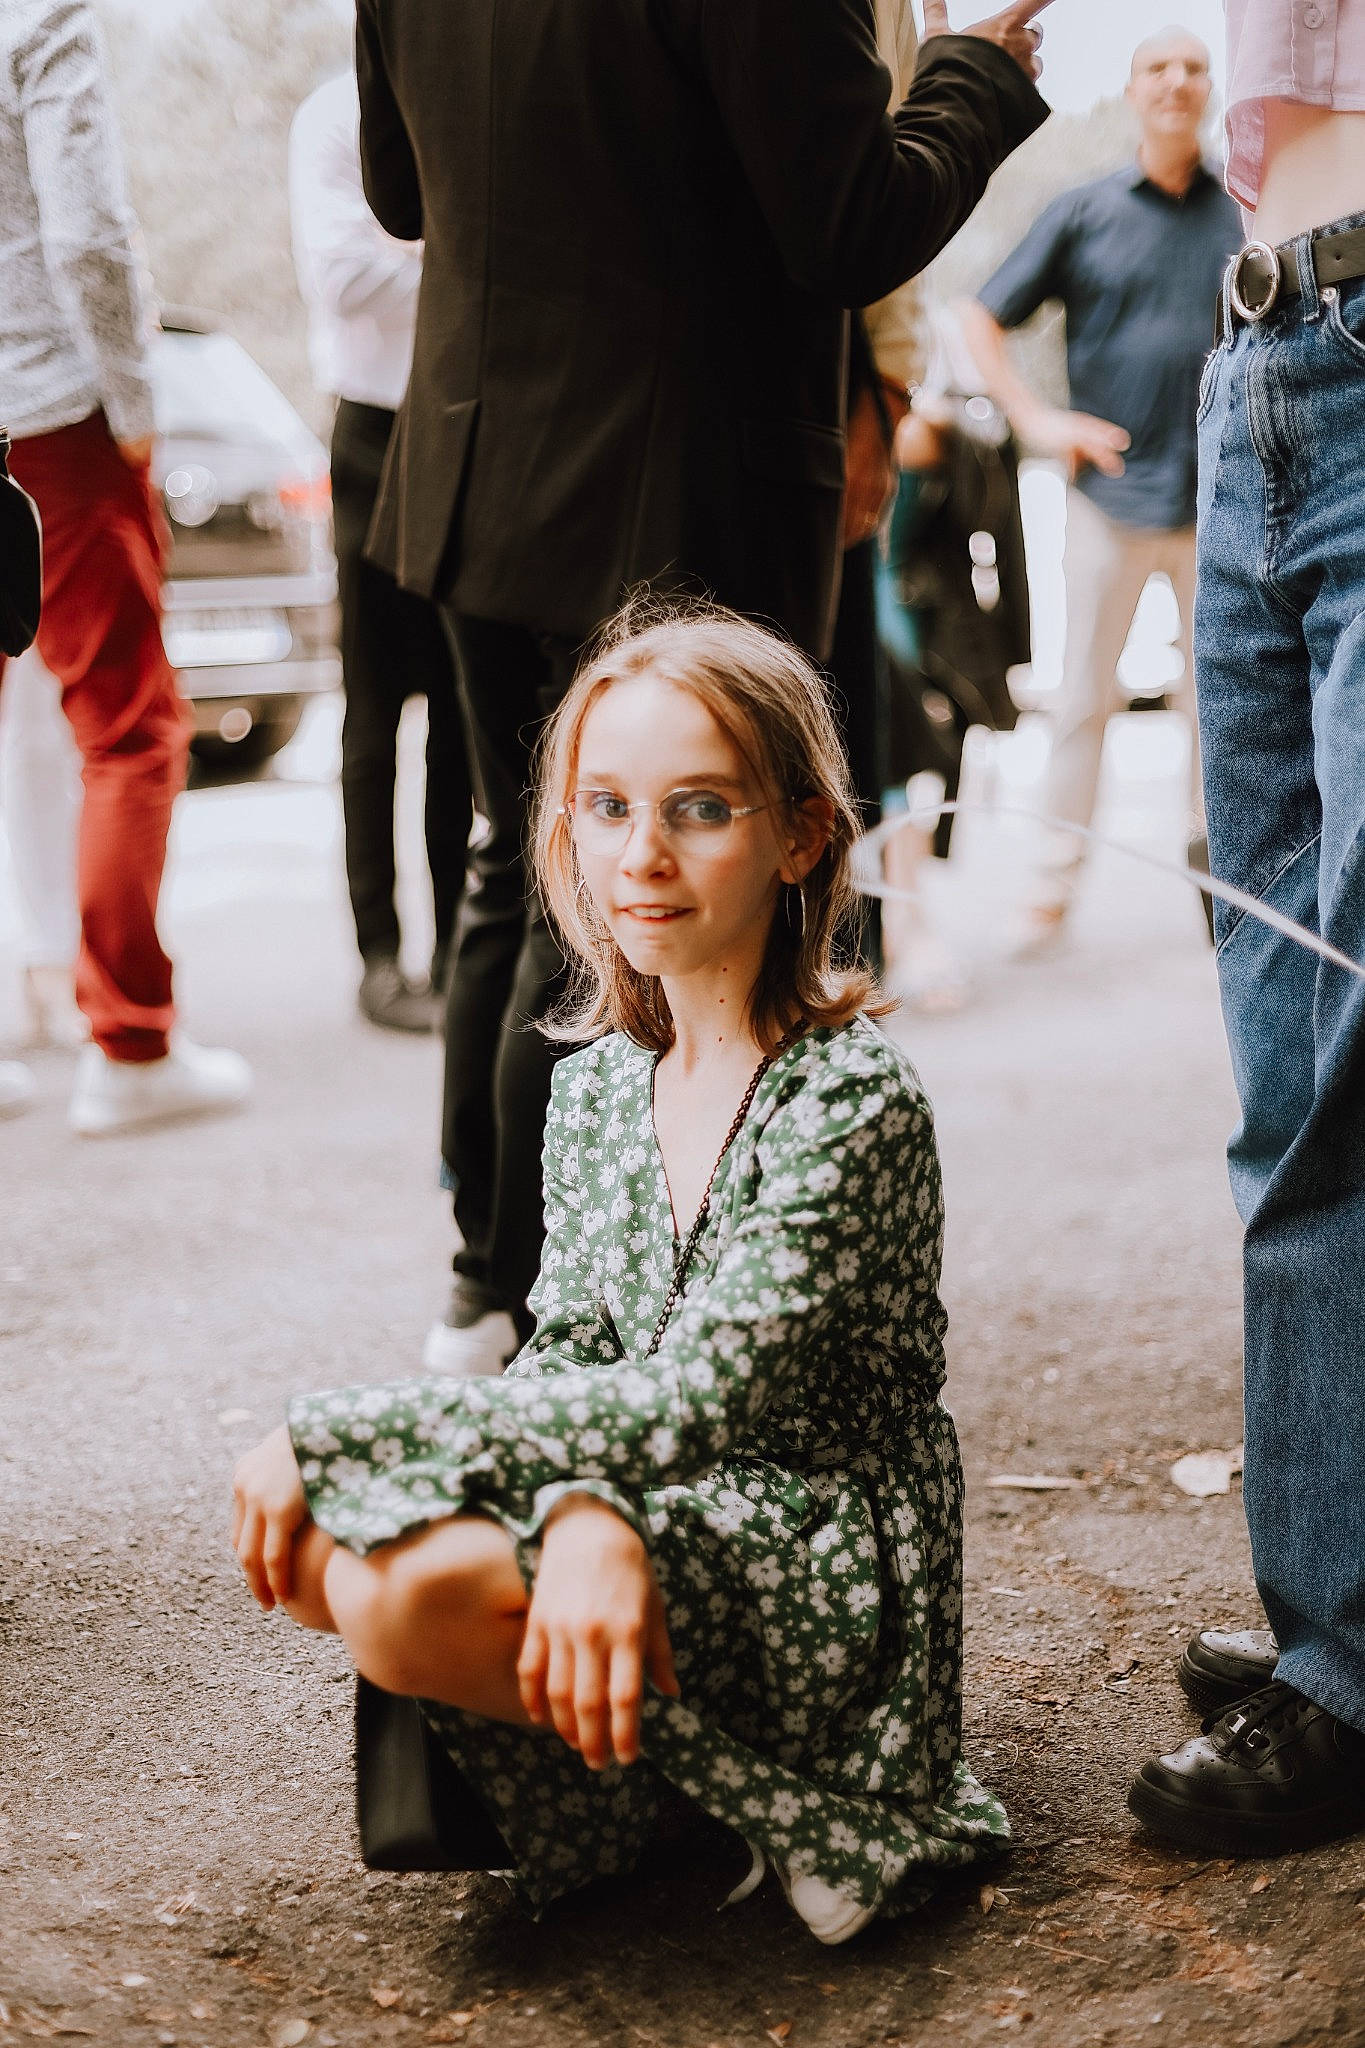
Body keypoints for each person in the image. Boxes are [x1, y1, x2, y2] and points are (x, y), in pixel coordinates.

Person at [232, 604, 1009, 1943]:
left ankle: (811, 1801)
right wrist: (589, 1514)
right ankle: (706, 1786)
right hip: (668, 1478)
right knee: (315, 1556)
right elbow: (579, 1345)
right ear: (566, 830)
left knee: (402, 1588)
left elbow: (701, 1402)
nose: (641, 855)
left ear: (801, 834)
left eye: (699, 808)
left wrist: (340, 1426)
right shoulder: (595, 1084)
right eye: (605, 806)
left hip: (818, 1537)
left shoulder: (851, 1098)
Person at [358, 0, 1053, 1373]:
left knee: (533, 877)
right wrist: (974, 79)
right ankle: (635, 1323)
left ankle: (487, 1296)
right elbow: (848, 223)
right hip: (673, 479)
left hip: (474, 469)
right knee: (679, 916)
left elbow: (399, 191)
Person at [1127, 5, 1365, 1855]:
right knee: (1281, 1048)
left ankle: (1347, 1653)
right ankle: (1336, 1589)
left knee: (1354, 1045)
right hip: (1263, 361)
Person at [0, 0, 249, 1135]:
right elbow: (88, 231)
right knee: (130, 728)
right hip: (44, 412)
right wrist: (135, 405)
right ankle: (131, 1042)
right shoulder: (39, 16)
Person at [957, 28, 1240, 940]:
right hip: (1105, 500)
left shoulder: (1245, 207)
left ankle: (1220, 888)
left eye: (1193, 67)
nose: (1176, 81)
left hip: (1220, 502)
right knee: (1082, 699)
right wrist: (1040, 421)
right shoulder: (1083, 210)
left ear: (1208, 91)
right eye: (1157, 67)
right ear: (1131, 91)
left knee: (1222, 701)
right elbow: (979, 316)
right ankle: (1051, 886)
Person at [289, 71, 471, 1035]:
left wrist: (415, 245)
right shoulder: (330, 116)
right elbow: (343, 281)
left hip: (458, 422)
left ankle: (450, 951)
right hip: (367, 437)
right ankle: (376, 957)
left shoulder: (465, 97)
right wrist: (461, 248)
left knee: (455, 705)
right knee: (371, 714)